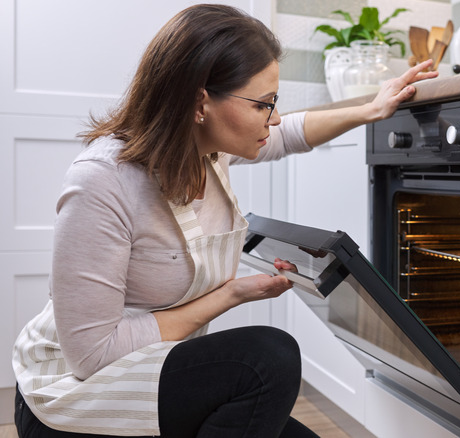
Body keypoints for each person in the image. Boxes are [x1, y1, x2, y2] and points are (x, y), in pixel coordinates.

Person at [11, 4, 438, 437]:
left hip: (152, 371)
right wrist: (229, 294)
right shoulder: (104, 182)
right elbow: (92, 354)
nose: (273, 118)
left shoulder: (207, 149)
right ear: (201, 102)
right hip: (77, 396)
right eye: (263, 104)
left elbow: (289, 132)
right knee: (267, 357)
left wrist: (371, 109)